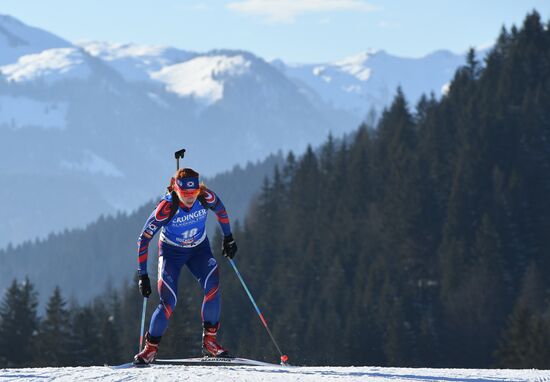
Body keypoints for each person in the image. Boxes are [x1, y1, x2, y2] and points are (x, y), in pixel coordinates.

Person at [133, 168, 238, 365]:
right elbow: (143, 239)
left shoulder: (205, 197)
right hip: (171, 253)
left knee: (213, 286)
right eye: (185, 194)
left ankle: (210, 342)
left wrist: (228, 237)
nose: (190, 198)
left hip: (199, 250)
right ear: (176, 190)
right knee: (168, 301)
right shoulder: (166, 208)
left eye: (194, 193)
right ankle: (150, 349)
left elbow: (221, 210)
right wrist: (143, 275)